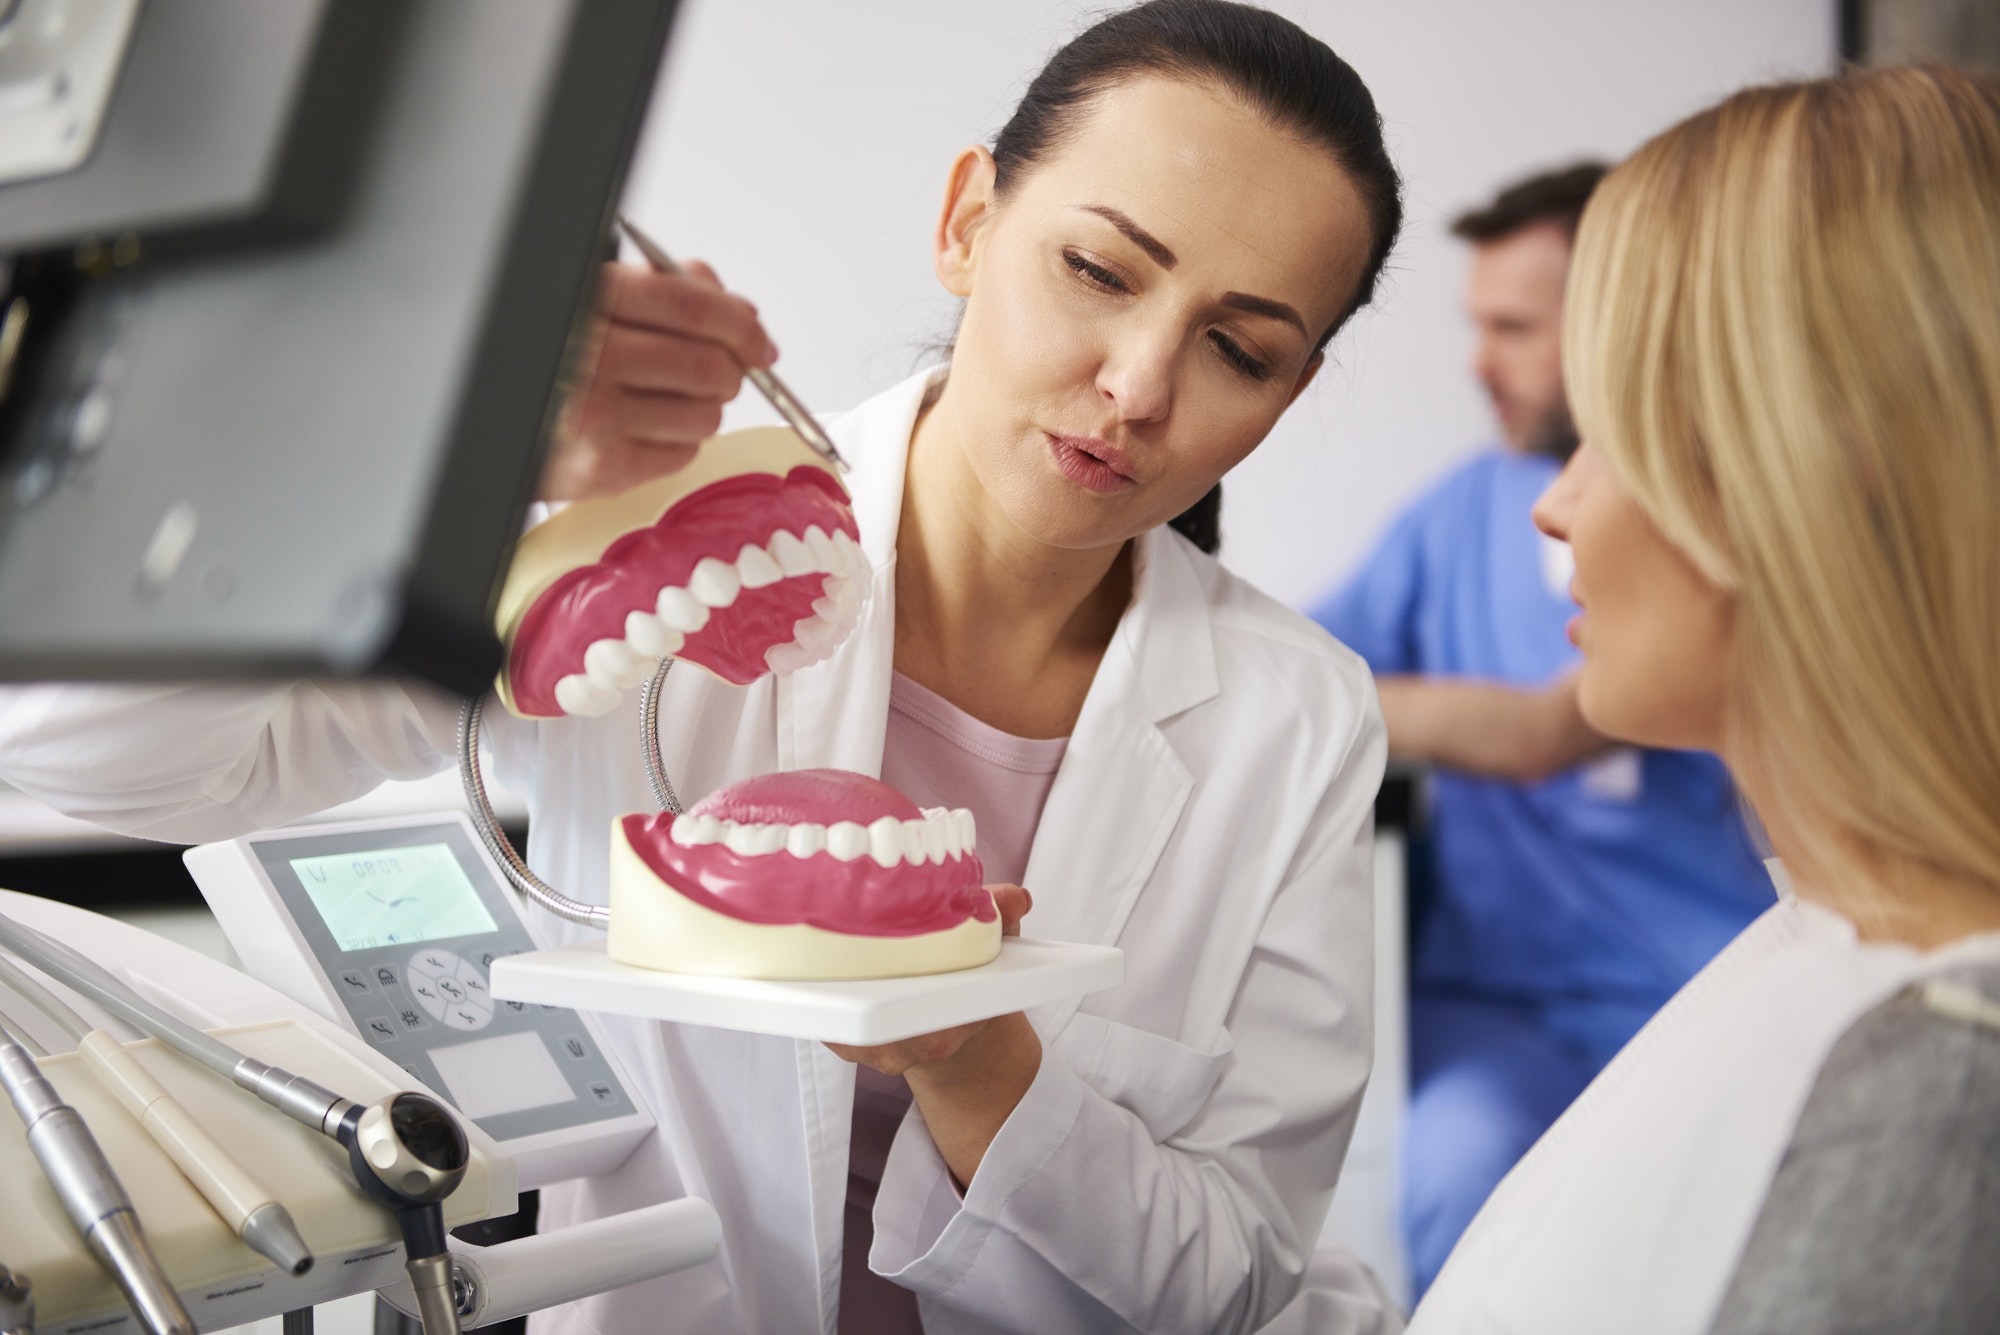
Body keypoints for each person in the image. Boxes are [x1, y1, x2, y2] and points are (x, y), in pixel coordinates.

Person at [0, 4, 1409, 1332]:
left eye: (1238, 348)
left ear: (1292, 389)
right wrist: (469, 449)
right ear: (970, 221)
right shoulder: (643, 544)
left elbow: (1233, 1273)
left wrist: (980, 1062)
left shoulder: (1295, 715)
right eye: (1100, 272)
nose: (1140, 386)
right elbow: (91, 755)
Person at [1409, 64, 2000, 1332]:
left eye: (1607, 430)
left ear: (1805, 479)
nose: (1554, 506)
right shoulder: (1826, 945)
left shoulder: (1932, 1093)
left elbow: (1522, 734)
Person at [1308, 165, 1774, 1295]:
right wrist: (1434, 715)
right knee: (1448, 1173)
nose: (1477, 361)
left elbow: (1542, 734)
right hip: (1494, 1010)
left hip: (1691, 983)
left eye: (1512, 328)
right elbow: (1301, 678)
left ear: (1614, 322)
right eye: (1476, 325)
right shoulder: (1457, 512)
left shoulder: (1732, 517)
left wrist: (1430, 716)